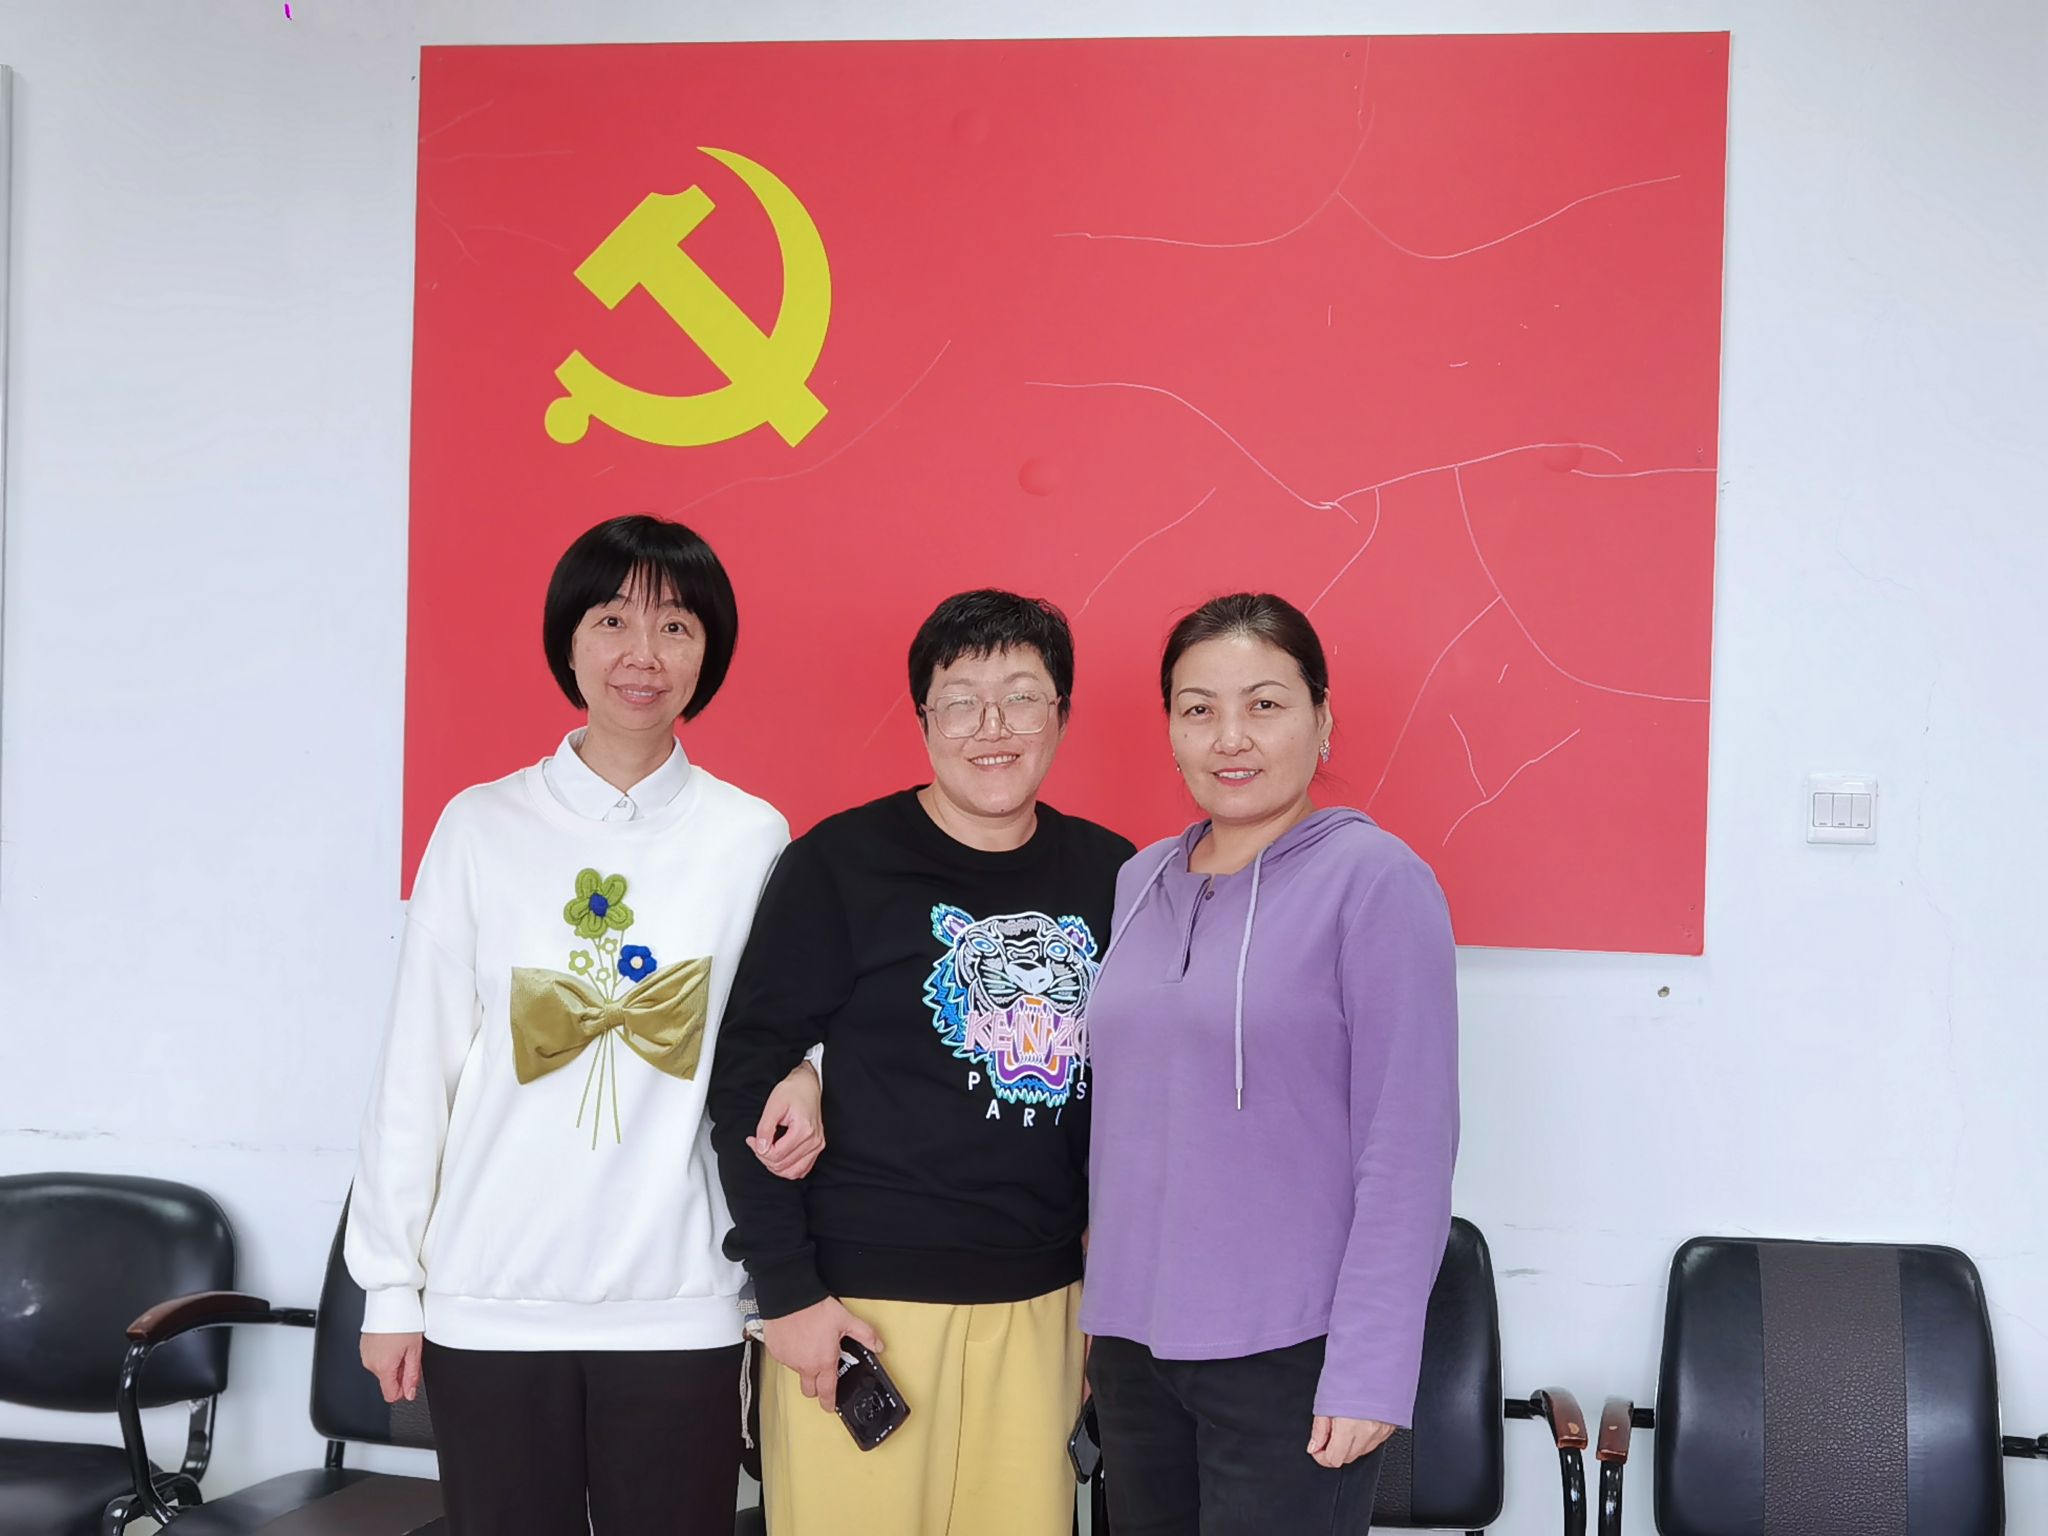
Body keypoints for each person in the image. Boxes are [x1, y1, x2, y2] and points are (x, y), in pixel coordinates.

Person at [344, 514, 822, 1535]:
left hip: (679, 1300)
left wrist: (810, 1070)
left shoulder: (751, 836)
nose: (642, 655)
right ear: (567, 641)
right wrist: (390, 1287)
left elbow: (786, 1029)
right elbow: (415, 1068)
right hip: (490, 1297)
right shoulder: (480, 827)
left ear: (709, 653)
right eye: (612, 621)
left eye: (675, 626)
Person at [708, 589, 1134, 1536]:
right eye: (962, 701)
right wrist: (789, 1296)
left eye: (1022, 697)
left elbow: (1136, 1100)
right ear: (924, 719)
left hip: (1044, 1308)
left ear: (1061, 714)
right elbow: (746, 1080)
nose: (993, 727)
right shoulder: (840, 864)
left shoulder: (1115, 876)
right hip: (861, 1310)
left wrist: (1109, 1307)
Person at [1081, 592, 1460, 1536]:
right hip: (1132, 1346)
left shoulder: (1378, 882)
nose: (1229, 738)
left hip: (1291, 1351)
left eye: (1264, 704)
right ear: (1170, 729)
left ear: (1321, 719)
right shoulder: (1138, 882)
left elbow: (1408, 1146)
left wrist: (1371, 1369)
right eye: (1198, 708)